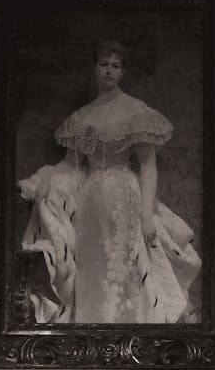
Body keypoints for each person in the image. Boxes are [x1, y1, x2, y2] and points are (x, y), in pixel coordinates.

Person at [18, 40, 201, 324]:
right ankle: (93, 324)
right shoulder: (82, 117)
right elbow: (69, 162)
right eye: (103, 64)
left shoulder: (136, 111)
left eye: (115, 66)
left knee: (126, 264)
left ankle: (131, 324)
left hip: (125, 196)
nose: (108, 71)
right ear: (94, 68)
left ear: (123, 72)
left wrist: (147, 214)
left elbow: (148, 164)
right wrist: (45, 181)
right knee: (94, 267)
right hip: (91, 200)